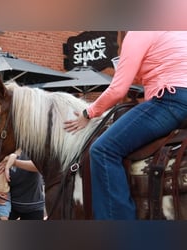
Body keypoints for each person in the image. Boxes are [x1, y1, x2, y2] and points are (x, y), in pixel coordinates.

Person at [63, 31, 187, 220]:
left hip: (170, 101)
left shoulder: (138, 33)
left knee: (102, 150)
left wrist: (88, 113)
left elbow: (118, 90)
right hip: (176, 98)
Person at [0, 151, 45, 220]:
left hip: (33, 206)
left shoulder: (31, 149)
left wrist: (14, 162)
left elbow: (39, 166)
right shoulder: (3, 151)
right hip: (10, 205)